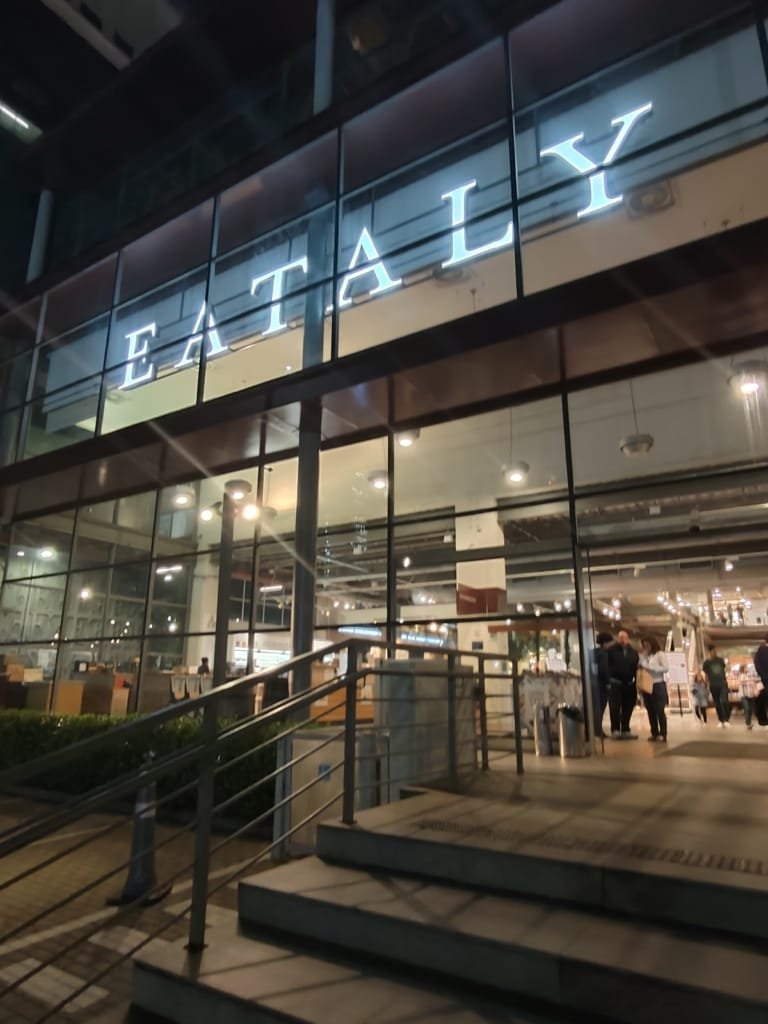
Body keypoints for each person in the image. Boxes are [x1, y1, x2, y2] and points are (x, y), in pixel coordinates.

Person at [607, 629, 639, 738]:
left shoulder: (633, 652)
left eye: (624, 638)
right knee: (615, 707)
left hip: (629, 684)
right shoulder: (611, 651)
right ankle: (615, 729)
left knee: (628, 707)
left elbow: (636, 666)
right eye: (620, 638)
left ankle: (625, 728)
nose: (622, 640)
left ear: (628, 639)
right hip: (615, 683)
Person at [639, 636, 669, 742]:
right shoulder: (644, 655)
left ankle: (663, 733)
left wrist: (650, 667)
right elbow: (639, 665)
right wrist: (643, 657)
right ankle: (654, 733)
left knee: (659, 710)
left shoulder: (659, 654)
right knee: (650, 710)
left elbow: (666, 668)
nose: (645, 646)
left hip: (657, 684)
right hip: (646, 685)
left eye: (647, 644)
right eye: (643, 645)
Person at [590, 631, 614, 738]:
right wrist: (608, 682)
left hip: (593, 683)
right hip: (601, 685)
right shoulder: (604, 654)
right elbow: (604, 669)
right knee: (600, 708)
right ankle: (598, 731)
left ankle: (594, 729)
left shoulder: (592, 652)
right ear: (605, 643)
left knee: (595, 708)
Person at [702, 645, 730, 727]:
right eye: (712, 651)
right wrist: (706, 684)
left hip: (722, 684)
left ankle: (726, 719)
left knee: (724, 701)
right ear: (709, 652)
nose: (713, 653)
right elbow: (706, 674)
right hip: (713, 685)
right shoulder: (706, 663)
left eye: (715, 651)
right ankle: (721, 720)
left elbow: (724, 670)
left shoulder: (720, 660)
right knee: (717, 703)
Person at [753, 635, 768, 726]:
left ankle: (763, 719)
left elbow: (757, 664)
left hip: (765, 681)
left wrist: (763, 676)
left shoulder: (760, 651)